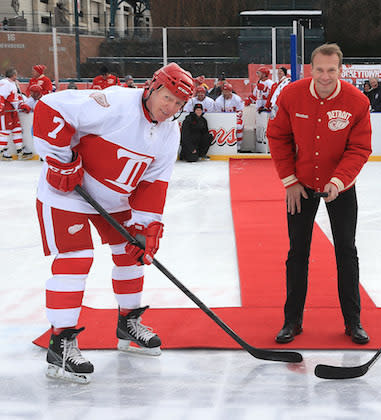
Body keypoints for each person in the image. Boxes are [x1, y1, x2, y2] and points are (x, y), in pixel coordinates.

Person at [32, 62, 194, 384]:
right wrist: (61, 161)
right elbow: (50, 108)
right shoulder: (115, 103)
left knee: (130, 253)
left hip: (115, 201)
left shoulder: (169, 133)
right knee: (76, 260)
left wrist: (147, 227)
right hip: (68, 194)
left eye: (178, 103)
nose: (171, 107)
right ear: (152, 87)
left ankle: (127, 322)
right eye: (168, 97)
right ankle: (60, 342)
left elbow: (154, 182)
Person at [267, 43, 372, 345]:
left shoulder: (357, 102)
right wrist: (289, 181)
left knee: (346, 253)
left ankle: (353, 322)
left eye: (332, 70)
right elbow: (278, 137)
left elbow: (360, 148)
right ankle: (292, 321)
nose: (325, 76)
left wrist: (339, 181)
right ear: (310, 70)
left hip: (341, 189)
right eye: (320, 70)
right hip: (300, 187)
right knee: (297, 254)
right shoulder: (291, 95)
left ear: (341, 70)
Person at [0, 68, 31, 160]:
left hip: (13, 111)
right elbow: (4, 97)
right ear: (13, 75)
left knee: (17, 129)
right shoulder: (5, 83)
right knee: (5, 131)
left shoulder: (13, 83)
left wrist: (22, 104)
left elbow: (16, 97)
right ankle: (2, 152)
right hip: (5, 112)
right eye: (16, 74)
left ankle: (20, 150)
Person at [245, 67, 274, 153]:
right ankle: (260, 146)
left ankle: (268, 148)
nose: (258, 75)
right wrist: (249, 100)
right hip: (259, 110)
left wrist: (265, 89)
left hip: (266, 111)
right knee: (260, 129)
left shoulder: (270, 83)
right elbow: (255, 95)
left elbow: (272, 95)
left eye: (260, 73)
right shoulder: (259, 83)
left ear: (265, 74)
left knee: (266, 129)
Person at [214, 82, 245, 149]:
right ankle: (221, 145)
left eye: (227, 91)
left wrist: (231, 118)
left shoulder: (237, 99)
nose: (225, 93)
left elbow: (240, 112)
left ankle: (238, 146)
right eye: (224, 91)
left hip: (235, 119)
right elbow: (217, 113)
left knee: (239, 126)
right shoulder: (218, 100)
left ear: (230, 91)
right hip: (223, 119)